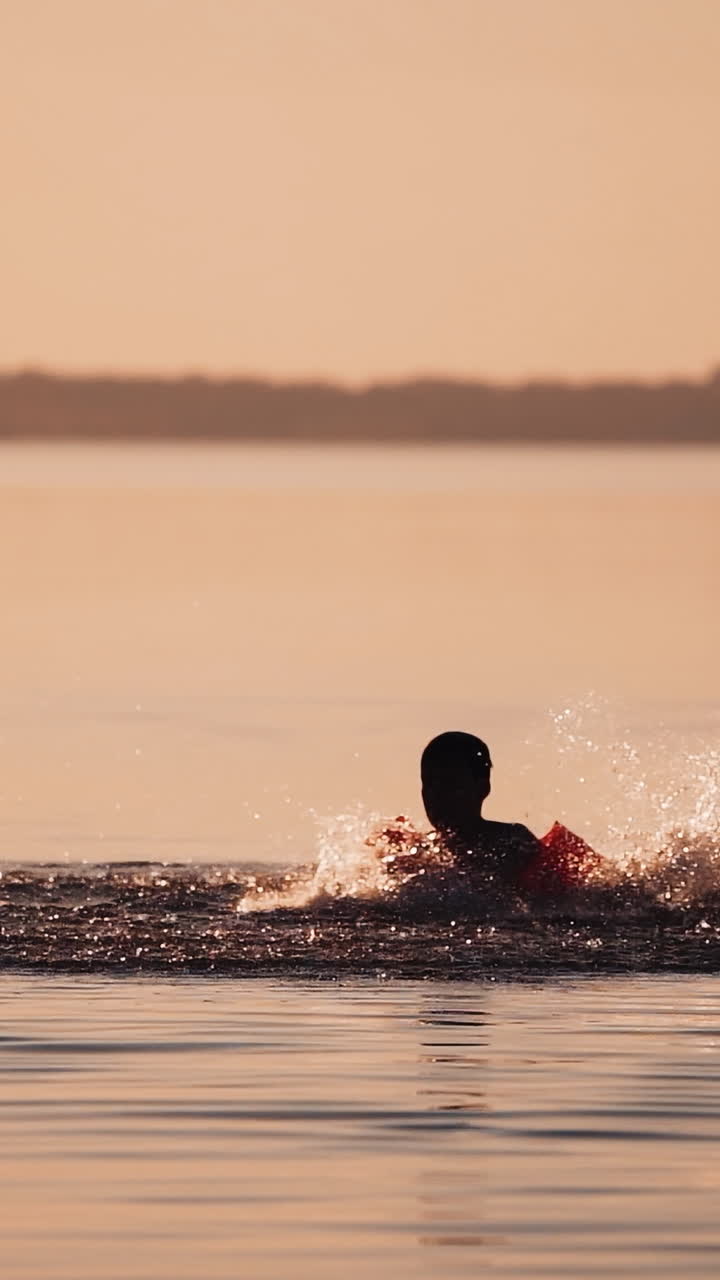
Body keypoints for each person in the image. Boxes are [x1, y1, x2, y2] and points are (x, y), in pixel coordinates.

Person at [420, 730, 541, 884]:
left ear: (482, 788)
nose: (437, 795)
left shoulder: (512, 842)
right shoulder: (421, 855)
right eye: (429, 784)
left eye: (450, 784)